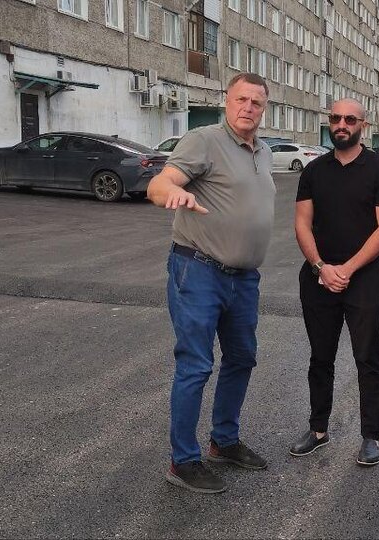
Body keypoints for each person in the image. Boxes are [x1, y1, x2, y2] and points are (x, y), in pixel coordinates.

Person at [146, 72, 276, 494]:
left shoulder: (263, 151)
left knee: (241, 358)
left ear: (264, 108)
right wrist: (172, 193)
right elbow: (160, 183)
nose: (248, 108)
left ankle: (224, 441)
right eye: (241, 99)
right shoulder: (204, 140)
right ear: (227, 101)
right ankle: (183, 461)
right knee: (196, 365)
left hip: (244, 278)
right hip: (199, 270)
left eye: (256, 102)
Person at [288, 98, 379, 467]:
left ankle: (371, 437)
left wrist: (347, 269)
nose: (342, 124)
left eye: (350, 119)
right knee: (320, 358)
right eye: (336, 118)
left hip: (364, 279)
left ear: (363, 125)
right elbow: (302, 223)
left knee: (368, 358)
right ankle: (318, 430)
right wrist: (321, 267)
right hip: (318, 278)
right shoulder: (314, 170)